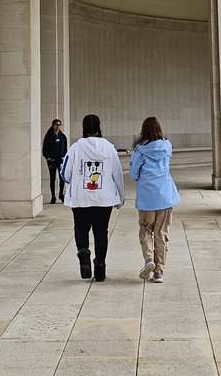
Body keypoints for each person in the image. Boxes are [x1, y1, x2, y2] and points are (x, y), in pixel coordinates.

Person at [60, 113, 124, 282]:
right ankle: (100, 266)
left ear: (83, 127)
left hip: (81, 197)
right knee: (101, 231)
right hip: (104, 198)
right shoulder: (109, 147)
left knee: (81, 227)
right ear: (99, 127)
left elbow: (65, 173)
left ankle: (84, 256)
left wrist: (74, 181)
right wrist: (120, 197)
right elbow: (117, 174)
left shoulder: (75, 147)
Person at [130, 116, 180, 283]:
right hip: (166, 196)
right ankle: (159, 272)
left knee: (145, 230)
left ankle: (149, 260)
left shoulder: (139, 150)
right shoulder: (167, 146)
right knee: (161, 233)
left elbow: (134, 173)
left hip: (147, 198)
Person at [41, 119, 68, 203]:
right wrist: (48, 158)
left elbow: (65, 148)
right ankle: (53, 196)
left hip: (61, 160)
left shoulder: (62, 136)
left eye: (59, 125)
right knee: (52, 178)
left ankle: (61, 194)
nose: (58, 126)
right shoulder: (49, 136)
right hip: (52, 160)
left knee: (62, 178)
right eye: (56, 124)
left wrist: (64, 157)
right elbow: (45, 149)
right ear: (53, 125)